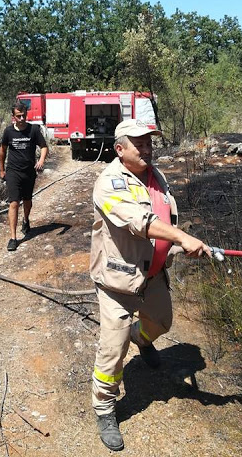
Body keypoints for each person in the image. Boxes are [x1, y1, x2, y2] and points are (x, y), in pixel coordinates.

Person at [90, 118, 211, 451]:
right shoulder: (109, 182)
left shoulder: (156, 176)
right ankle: (104, 409)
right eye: (138, 144)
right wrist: (183, 237)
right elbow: (139, 221)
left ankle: (139, 338)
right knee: (112, 353)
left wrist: (181, 247)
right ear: (119, 149)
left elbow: (165, 218)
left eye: (149, 143)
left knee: (161, 323)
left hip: (153, 276)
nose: (146, 149)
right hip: (118, 283)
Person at [0, 102, 48, 252]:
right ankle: (13, 238)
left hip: (29, 172)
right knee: (14, 202)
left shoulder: (33, 130)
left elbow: (44, 146)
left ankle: (26, 220)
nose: (21, 118)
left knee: (27, 201)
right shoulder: (8, 132)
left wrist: (41, 160)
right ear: (13, 117)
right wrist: (2, 170)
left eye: (23, 115)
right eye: (18, 116)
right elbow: (2, 151)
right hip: (13, 171)